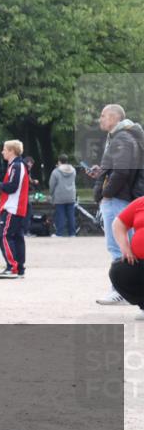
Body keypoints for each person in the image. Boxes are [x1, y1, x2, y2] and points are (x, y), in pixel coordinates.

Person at [92, 104, 144, 305]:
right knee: (126, 246)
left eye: (103, 115)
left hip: (117, 197)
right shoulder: (127, 137)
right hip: (122, 196)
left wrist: (105, 193)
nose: (101, 119)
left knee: (117, 246)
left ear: (115, 118)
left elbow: (122, 172)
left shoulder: (121, 138)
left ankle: (119, 290)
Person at [0, 140, 30, 279]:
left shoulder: (16, 166)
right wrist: (0, 191)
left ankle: (12, 267)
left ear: (12, 151)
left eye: (5, 149)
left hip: (13, 207)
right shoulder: (17, 165)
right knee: (17, 238)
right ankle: (19, 268)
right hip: (16, 206)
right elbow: (14, 187)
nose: (2, 152)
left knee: (5, 237)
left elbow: (12, 186)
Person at [110, 196, 144, 320]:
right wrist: (125, 248)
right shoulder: (140, 202)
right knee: (119, 270)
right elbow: (118, 223)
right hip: (140, 261)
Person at [48, 154, 77, 237]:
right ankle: (72, 233)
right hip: (71, 195)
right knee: (71, 215)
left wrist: (51, 193)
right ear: (67, 161)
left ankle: (59, 233)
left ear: (59, 161)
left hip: (59, 196)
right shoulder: (73, 170)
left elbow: (52, 184)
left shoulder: (56, 171)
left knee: (60, 215)